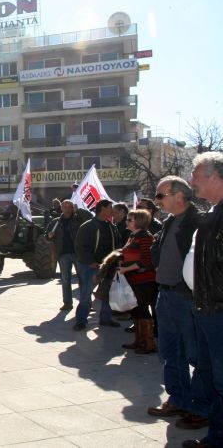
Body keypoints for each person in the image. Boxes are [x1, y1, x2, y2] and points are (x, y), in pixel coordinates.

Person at [147, 176, 210, 431]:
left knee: (195, 354)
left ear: (179, 196)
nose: (157, 201)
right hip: (166, 294)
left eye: (161, 196)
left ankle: (200, 408)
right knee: (170, 352)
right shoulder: (169, 222)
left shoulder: (199, 222)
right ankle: (178, 399)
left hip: (187, 298)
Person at [184, 152, 223, 448]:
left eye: (196, 175)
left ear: (214, 176)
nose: (192, 181)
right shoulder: (212, 213)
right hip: (207, 309)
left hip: (218, 311)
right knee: (214, 378)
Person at [73, 199, 121, 330]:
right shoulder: (88, 226)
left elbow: (117, 246)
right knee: (86, 295)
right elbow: (80, 246)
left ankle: (106, 319)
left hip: (109, 266)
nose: (113, 211)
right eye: (111, 208)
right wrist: (89, 261)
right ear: (103, 209)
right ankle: (81, 321)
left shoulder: (112, 226)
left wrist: (116, 261)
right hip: (92, 267)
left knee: (107, 294)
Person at [117, 209, 157, 353]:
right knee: (136, 310)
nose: (127, 222)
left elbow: (146, 260)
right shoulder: (133, 236)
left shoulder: (145, 237)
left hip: (144, 280)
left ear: (139, 221)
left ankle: (148, 343)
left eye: (130, 219)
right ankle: (139, 341)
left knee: (142, 310)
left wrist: (126, 269)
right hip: (134, 279)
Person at [46, 199, 84, 311]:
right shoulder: (55, 222)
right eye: (65, 207)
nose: (67, 209)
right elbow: (46, 236)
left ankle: (86, 302)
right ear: (61, 208)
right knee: (65, 280)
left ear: (73, 208)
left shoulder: (79, 220)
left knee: (83, 279)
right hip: (63, 254)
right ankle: (67, 303)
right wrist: (49, 236)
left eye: (69, 207)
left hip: (78, 254)